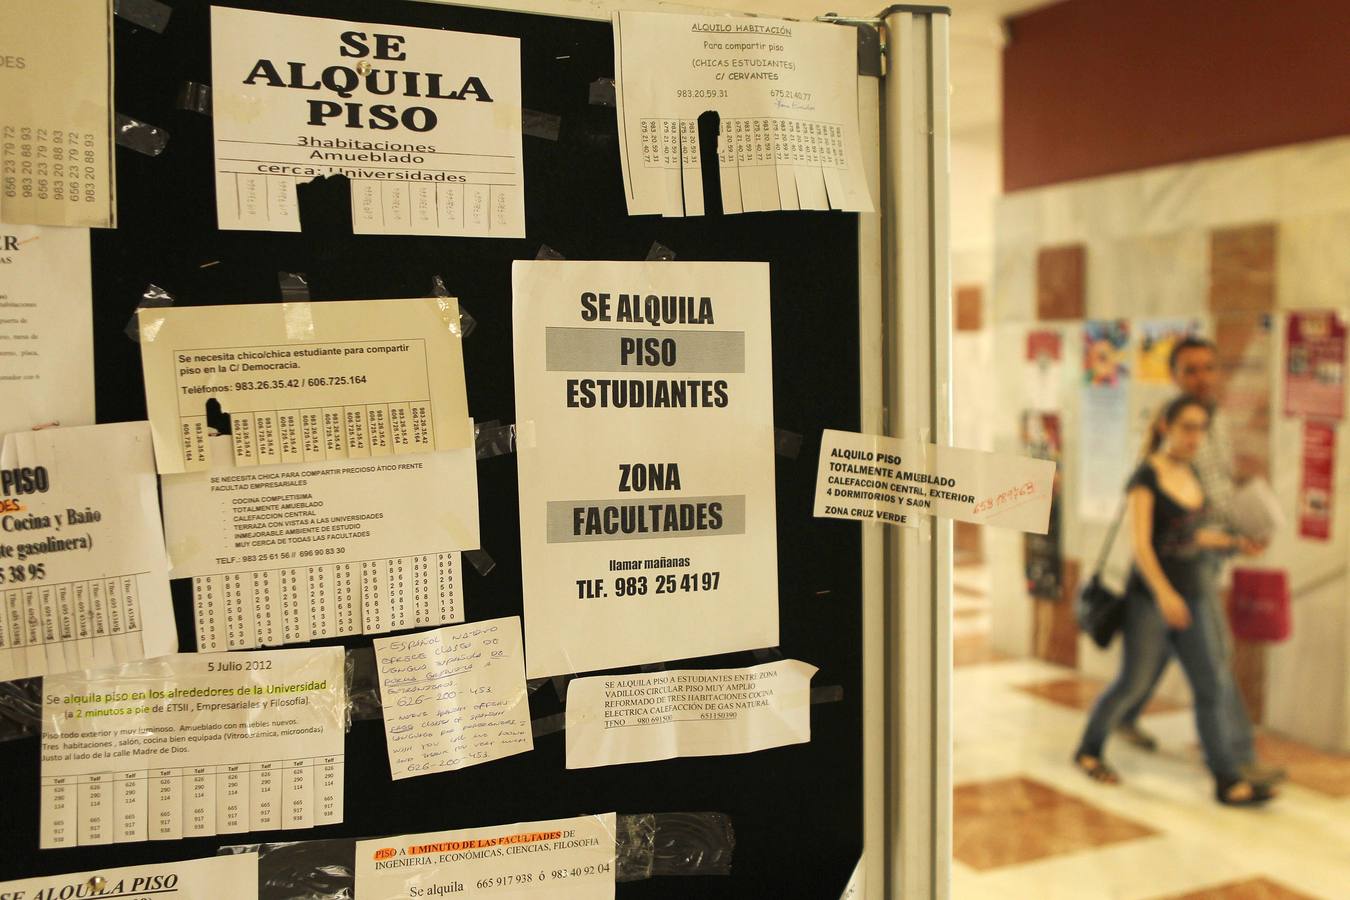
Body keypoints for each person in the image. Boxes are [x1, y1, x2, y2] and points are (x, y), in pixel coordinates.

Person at [1074, 394, 1274, 805]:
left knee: (1210, 684)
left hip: (1194, 592)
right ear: (1166, 426)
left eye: (1200, 428)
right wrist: (1164, 594)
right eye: (1187, 427)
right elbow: (1141, 545)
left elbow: (1192, 535)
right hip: (1150, 598)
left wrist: (1236, 543)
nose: (1194, 437)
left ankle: (1227, 779)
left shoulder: (1192, 472)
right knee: (1133, 683)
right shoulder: (1146, 476)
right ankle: (1089, 750)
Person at [1112, 337, 1283, 787]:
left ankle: (1124, 712)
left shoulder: (1215, 420)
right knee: (1214, 657)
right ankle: (1238, 757)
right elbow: (1155, 494)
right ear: (1174, 376)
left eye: (1209, 367)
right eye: (1190, 370)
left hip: (1213, 547)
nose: (1202, 377)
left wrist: (1245, 529)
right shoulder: (1168, 426)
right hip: (1187, 558)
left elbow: (1218, 486)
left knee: (1172, 648)